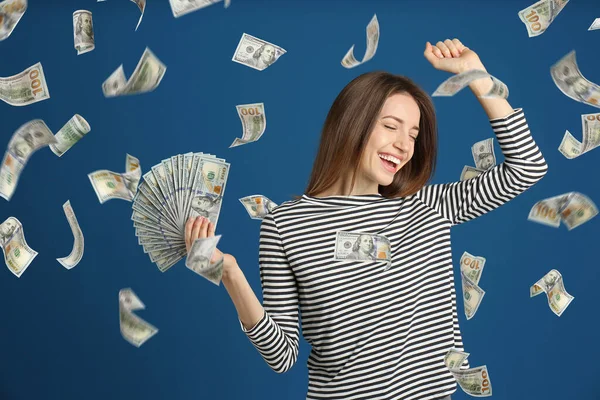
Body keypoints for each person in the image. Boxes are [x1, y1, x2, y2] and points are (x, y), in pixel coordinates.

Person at [185, 38, 548, 400]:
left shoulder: (429, 207)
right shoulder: (285, 225)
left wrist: (476, 75)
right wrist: (229, 273)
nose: (405, 146)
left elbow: (527, 167)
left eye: (413, 134)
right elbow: (282, 357)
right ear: (353, 123)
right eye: (391, 126)